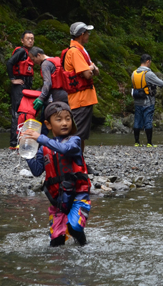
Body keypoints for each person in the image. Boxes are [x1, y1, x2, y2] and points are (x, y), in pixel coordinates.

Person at [22, 101, 90, 247]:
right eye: (59, 120)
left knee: (74, 227)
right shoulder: (44, 148)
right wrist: (26, 151)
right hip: (58, 200)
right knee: (56, 241)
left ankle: (84, 247)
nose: (64, 123)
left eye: (67, 119)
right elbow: (36, 171)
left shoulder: (75, 141)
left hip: (78, 195)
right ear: (48, 124)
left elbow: (64, 149)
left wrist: (40, 138)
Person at [62, 22, 101, 149]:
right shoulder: (75, 52)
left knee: (80, 134)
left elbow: (96, 71)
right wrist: (91, 68)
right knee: (77, 134)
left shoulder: (81, 50)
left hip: (83, 99)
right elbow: (88, 74)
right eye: (87, 33)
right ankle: (72, 162)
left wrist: (91, 68)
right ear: (82, 34)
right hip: (80, 99)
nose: (89, 35)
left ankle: (79, 161)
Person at [6, 31, 35, 149]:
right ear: (22, 40)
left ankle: (21, 140)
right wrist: (13, 79)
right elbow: (9, 62)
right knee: (18, 112)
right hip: (19, 86)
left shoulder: (30, 53)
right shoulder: (21, 51)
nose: (30, 40)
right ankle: (14, 142)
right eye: (28, 38)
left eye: (32, 39)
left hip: (25, 86)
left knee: (24, 112)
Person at [131, 54, 163, 147]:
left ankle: (137, 142)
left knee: (137, 120)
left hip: (137, 100)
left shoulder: (133, 73)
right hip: (148, 101)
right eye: (150, 62)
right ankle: (149, 143)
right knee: (148, 121)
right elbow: (161, 83)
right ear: (148, 61)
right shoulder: (148, 73)